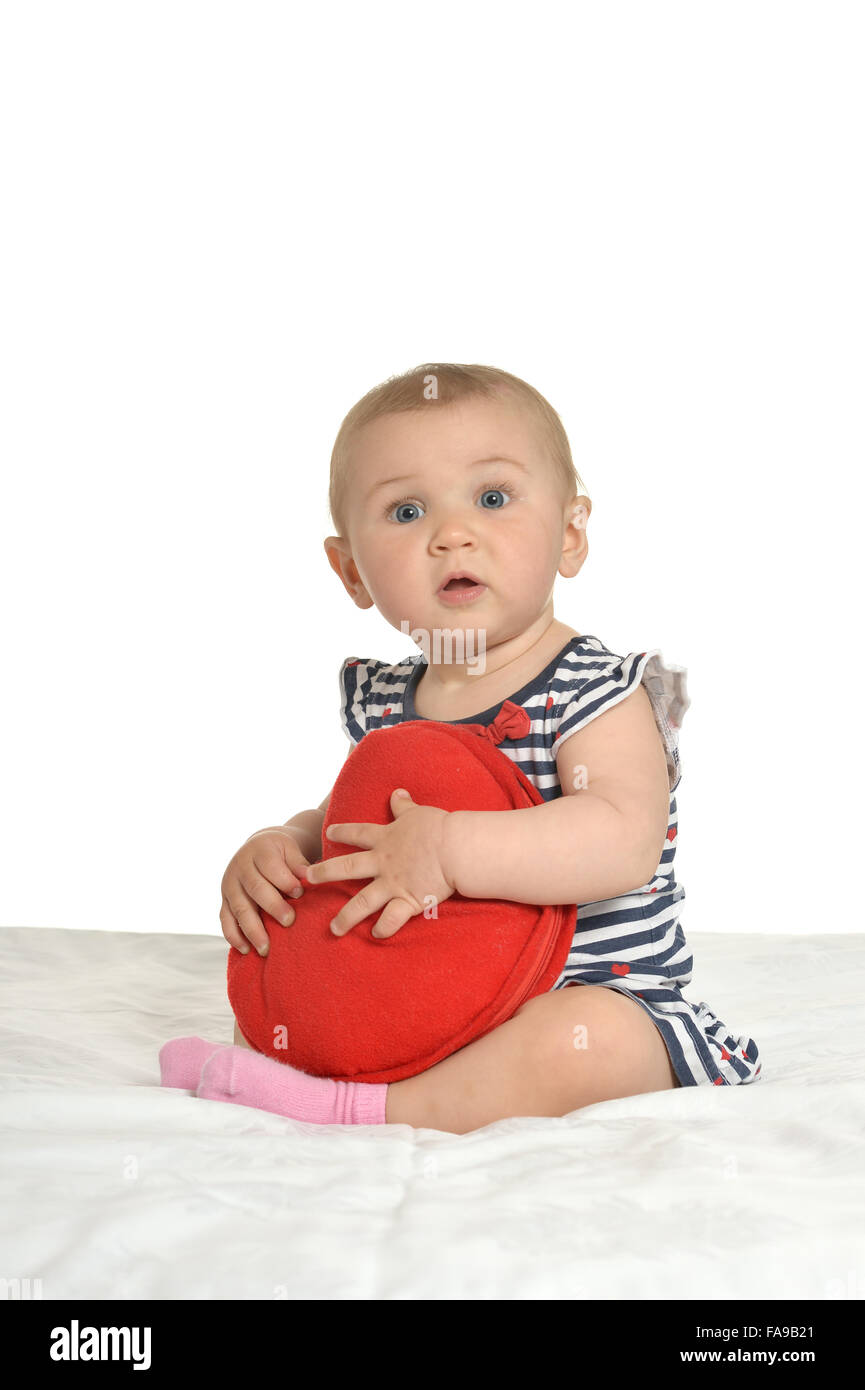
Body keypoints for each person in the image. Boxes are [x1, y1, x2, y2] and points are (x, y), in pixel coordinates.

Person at [159, 362, 761, 1134]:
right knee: (294, 982)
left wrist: (450, 850)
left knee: (590, 1047)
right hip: (433, 991)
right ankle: (316, 1061)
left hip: (585, 994)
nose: (451, 533)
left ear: (571, 534)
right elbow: (359, 819)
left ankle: (366, 1105)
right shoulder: (385, 704)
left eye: (492, 498)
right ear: (351, 572)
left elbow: (620, 840)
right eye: (406, 511)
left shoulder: (593, 689)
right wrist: (285, 843)